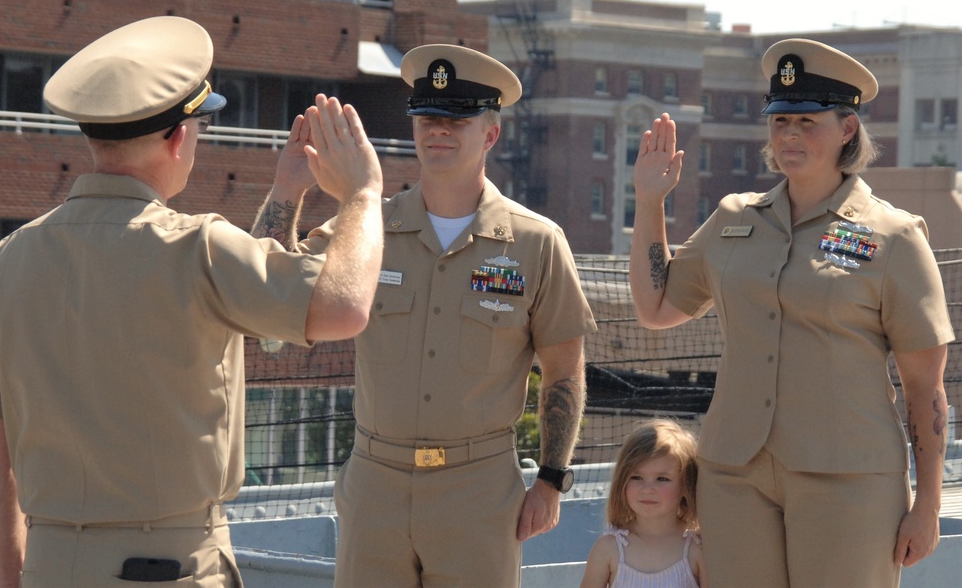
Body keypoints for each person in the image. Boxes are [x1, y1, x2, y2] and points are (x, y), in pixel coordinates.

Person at [0, 16, 384, 587]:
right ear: (179, 137)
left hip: (51, 565)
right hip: (168, 566)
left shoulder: (7, 259)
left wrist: (15, 578)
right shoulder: (198, 246)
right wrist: (362, 193)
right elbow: (344, 307)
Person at [254, 43, 597, 587]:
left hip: (479, 491)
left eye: (456, 119)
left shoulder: (536, 243)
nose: (438, 129)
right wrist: (286, 190)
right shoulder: (365, 231)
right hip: (375, 487)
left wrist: (552, 480)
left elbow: (565, 370)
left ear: (490, 133)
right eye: (428, 117)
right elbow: (265, 308)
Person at [628, 38, 955, 588]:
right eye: (780, 122)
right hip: (736, 478)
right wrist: (649, 201)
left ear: (847, 129)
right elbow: (657, 306)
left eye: (807, 121)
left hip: (849, 479)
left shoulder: (894, 236)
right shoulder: (736, 219)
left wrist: (927, 505)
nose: (790, 136)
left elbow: (927, 386)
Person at [579, 419, 706, 588]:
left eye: (662, 479)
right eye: (636, 477)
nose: (647, 489)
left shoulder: (697, 548)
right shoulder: (608, 547)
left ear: (686, 485)